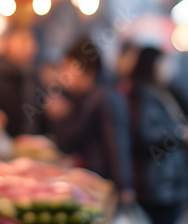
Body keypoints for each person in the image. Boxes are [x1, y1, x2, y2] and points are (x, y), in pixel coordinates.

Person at [123, 46, 188, 224]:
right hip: (157, 185)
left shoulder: (156, 92)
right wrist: (180, 135)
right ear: (153, 65)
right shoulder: (142, 95)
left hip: (165, 183)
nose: (169, 69)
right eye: (164, 63)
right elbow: (144, 136)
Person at [44, 37, 127, 189]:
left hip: (100, 180)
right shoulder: (87, 95)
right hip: (92, 177)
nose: (62, 74)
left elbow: (116, 144)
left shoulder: (99, 98)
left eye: (65, 68)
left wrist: (125, 188)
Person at [0, 26, 38, 137]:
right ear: (8, 43)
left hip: (31, 139)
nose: (27, 47)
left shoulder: (32, 74)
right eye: (22, 42)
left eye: (29, 41)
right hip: (2, 139)